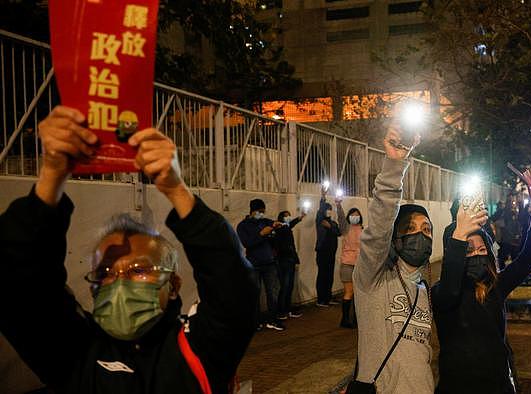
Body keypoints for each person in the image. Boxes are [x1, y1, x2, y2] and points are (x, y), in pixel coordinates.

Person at [0, 106, 257, 393]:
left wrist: (176, 189)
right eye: (106, 272)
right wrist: (51, 175)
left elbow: (233, 283)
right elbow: (16, 278)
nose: (119, 282)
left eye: (138, 270)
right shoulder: (72, 350)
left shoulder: (199, 349)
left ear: (173, 285)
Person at [432, 190, 531, 394]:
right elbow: (449, 289)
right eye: (467, 251)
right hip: (457, 386)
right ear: (454, 255)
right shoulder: (442, 292)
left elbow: (530, 256)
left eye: (482, 250)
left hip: (497, 384)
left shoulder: (496, 286)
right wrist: (459, 233)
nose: (476, 254)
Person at [352, 126, 434, 393]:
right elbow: (378, 229)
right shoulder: (372, 281)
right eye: (409, 229)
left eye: (426, 229)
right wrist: (395, 165)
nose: (419, 235)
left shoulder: (425, 291)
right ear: (395, 237)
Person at [237, 199, 286, 331]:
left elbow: (274, 225)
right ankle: (255, 322)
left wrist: (276, 226)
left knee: (273, 292)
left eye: (263, 212)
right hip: (253, 264)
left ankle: (272, 319)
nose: (262, 214)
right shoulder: (243, 226)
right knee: (254, 294)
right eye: (260, 212)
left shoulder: (265, 221)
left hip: (269, 263)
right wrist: (261, 234)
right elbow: (247, 243)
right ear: (253, 211)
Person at [336, 197, 363, 328]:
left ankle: (356, 319)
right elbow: (340, 218)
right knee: (349, 292)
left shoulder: (363, 229)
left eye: (357, 215)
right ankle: (345, 320)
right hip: (347, 264)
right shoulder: (346, 228)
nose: (355, 217)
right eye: (352, 215)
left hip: (360, 266)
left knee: (358, 293)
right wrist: (338, 204)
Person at [273, 210, 305, 319]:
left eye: (289, 216)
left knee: (290, 286)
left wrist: (300, 218)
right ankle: (281, 311)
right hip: (283, 261)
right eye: (286, 216)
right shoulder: (279, 229)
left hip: (290, 260)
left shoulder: (286, 228)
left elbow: (290, 226)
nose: (288, 217)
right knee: (284, 286)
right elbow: (288, 226)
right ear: (281, 218)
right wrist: (297, 219)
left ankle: (287, 309)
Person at [315, 188, 341, 306]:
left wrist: (330, 227)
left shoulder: (333, 223)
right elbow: (320, 211)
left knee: (329, 275)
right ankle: (321, 300)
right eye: (327, 210)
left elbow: (339, 232)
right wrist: (323, 197)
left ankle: (328, 298)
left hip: (331, 253)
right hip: (322, 252)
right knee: (322, 275)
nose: (329, 212)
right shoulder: (320, 221)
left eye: (330, 210)